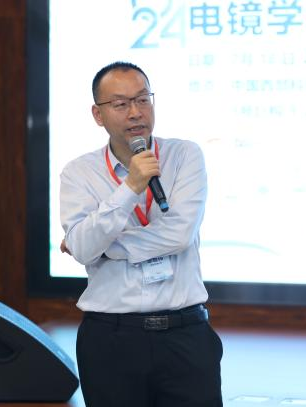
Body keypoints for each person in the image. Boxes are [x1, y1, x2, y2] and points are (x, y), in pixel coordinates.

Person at [59, 61, 223, 407]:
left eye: (143, 99)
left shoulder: (184, 155)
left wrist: (105, 247)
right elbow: (84, 247)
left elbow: (179, 235)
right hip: (111, 338)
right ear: (98, 114)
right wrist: (130, 187)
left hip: (185, 336)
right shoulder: (79, 173)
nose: (135, 112)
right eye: (121, 104)